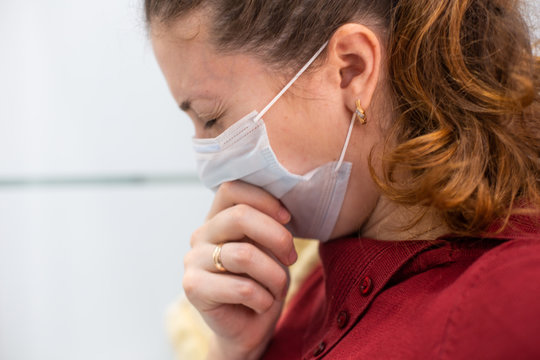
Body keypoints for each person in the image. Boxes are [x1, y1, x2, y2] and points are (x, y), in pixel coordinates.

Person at [145, 0, 540, 359]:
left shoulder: (510, 303)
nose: (207, 158)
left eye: (210, 117)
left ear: (352, 69)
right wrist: (235, 350)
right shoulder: (315, 275)